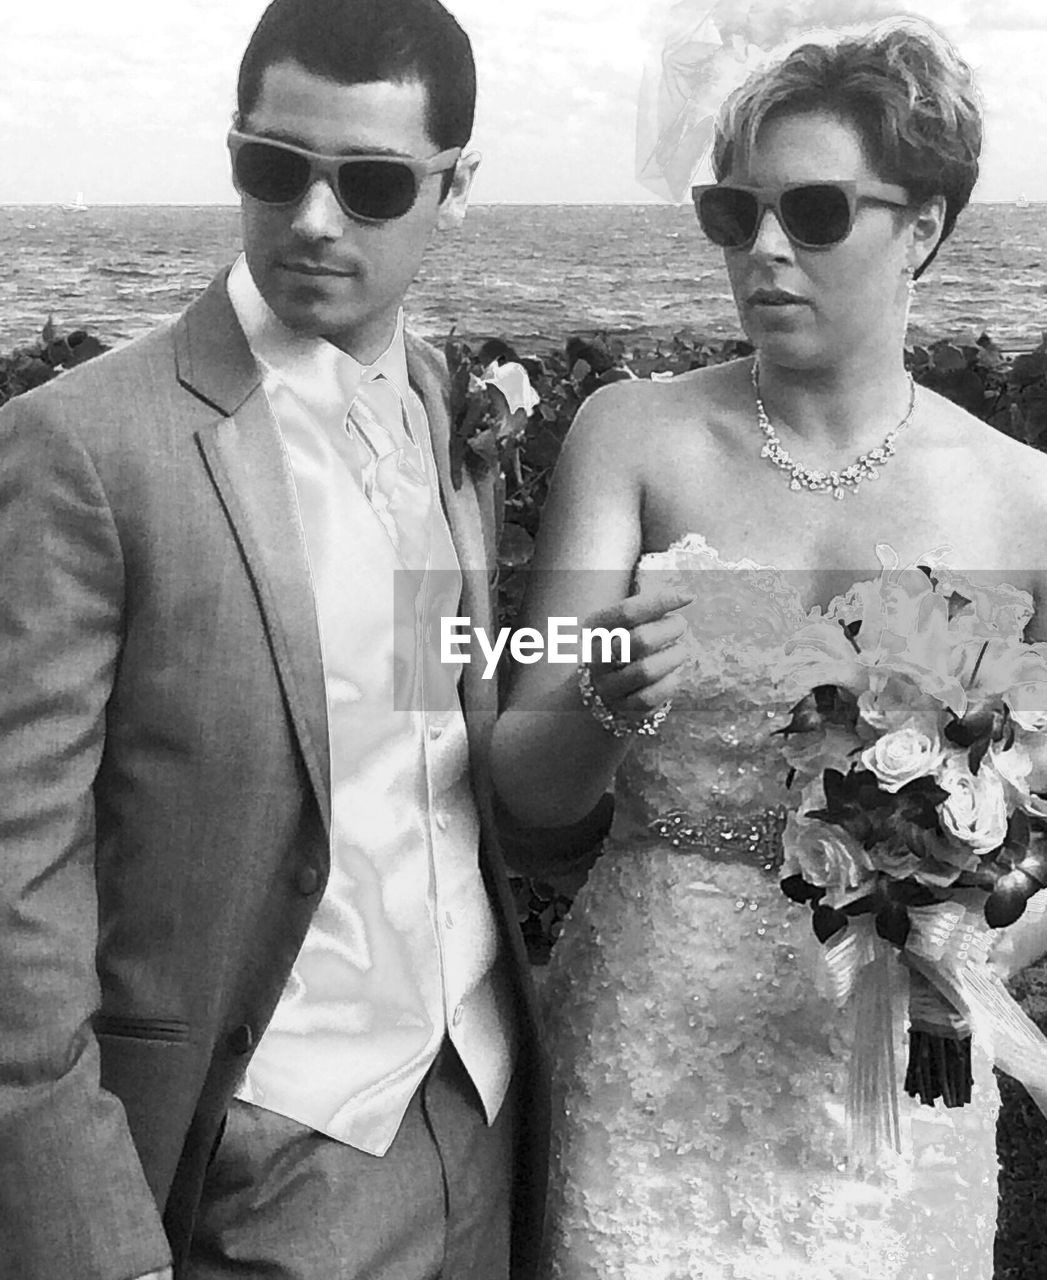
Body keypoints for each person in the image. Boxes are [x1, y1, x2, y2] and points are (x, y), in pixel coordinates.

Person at [491, 18, 1047, 1279]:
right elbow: (520, 784)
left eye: (817, 211)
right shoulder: (628, 439)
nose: (763, 249)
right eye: (736, 211)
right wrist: (603, 709)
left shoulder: (1027, 500)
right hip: (650, 1049)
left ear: (924, 228)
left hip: (893, 1070)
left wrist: (970, 942)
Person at [0, 1, 593, 1276]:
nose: (315, 221)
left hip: (482, 1112)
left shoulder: (448, 410)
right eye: (274, 169)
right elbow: (13, 889)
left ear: (457, 187)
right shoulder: (85, 447)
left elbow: (431, 737)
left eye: (373, 183)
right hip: (256, 1151)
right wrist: (95, 1240)